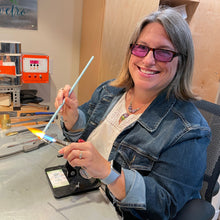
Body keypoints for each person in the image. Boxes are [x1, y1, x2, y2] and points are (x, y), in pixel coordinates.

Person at [55, 7, 211, 220]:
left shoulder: (190, 130)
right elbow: (82, 132)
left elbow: (164, 205)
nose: (147, 60)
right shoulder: (109, 91)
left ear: (181, 62)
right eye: (141, 48)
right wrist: (72, 118)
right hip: (82, 195)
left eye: (164, 52)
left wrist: (108, 173)